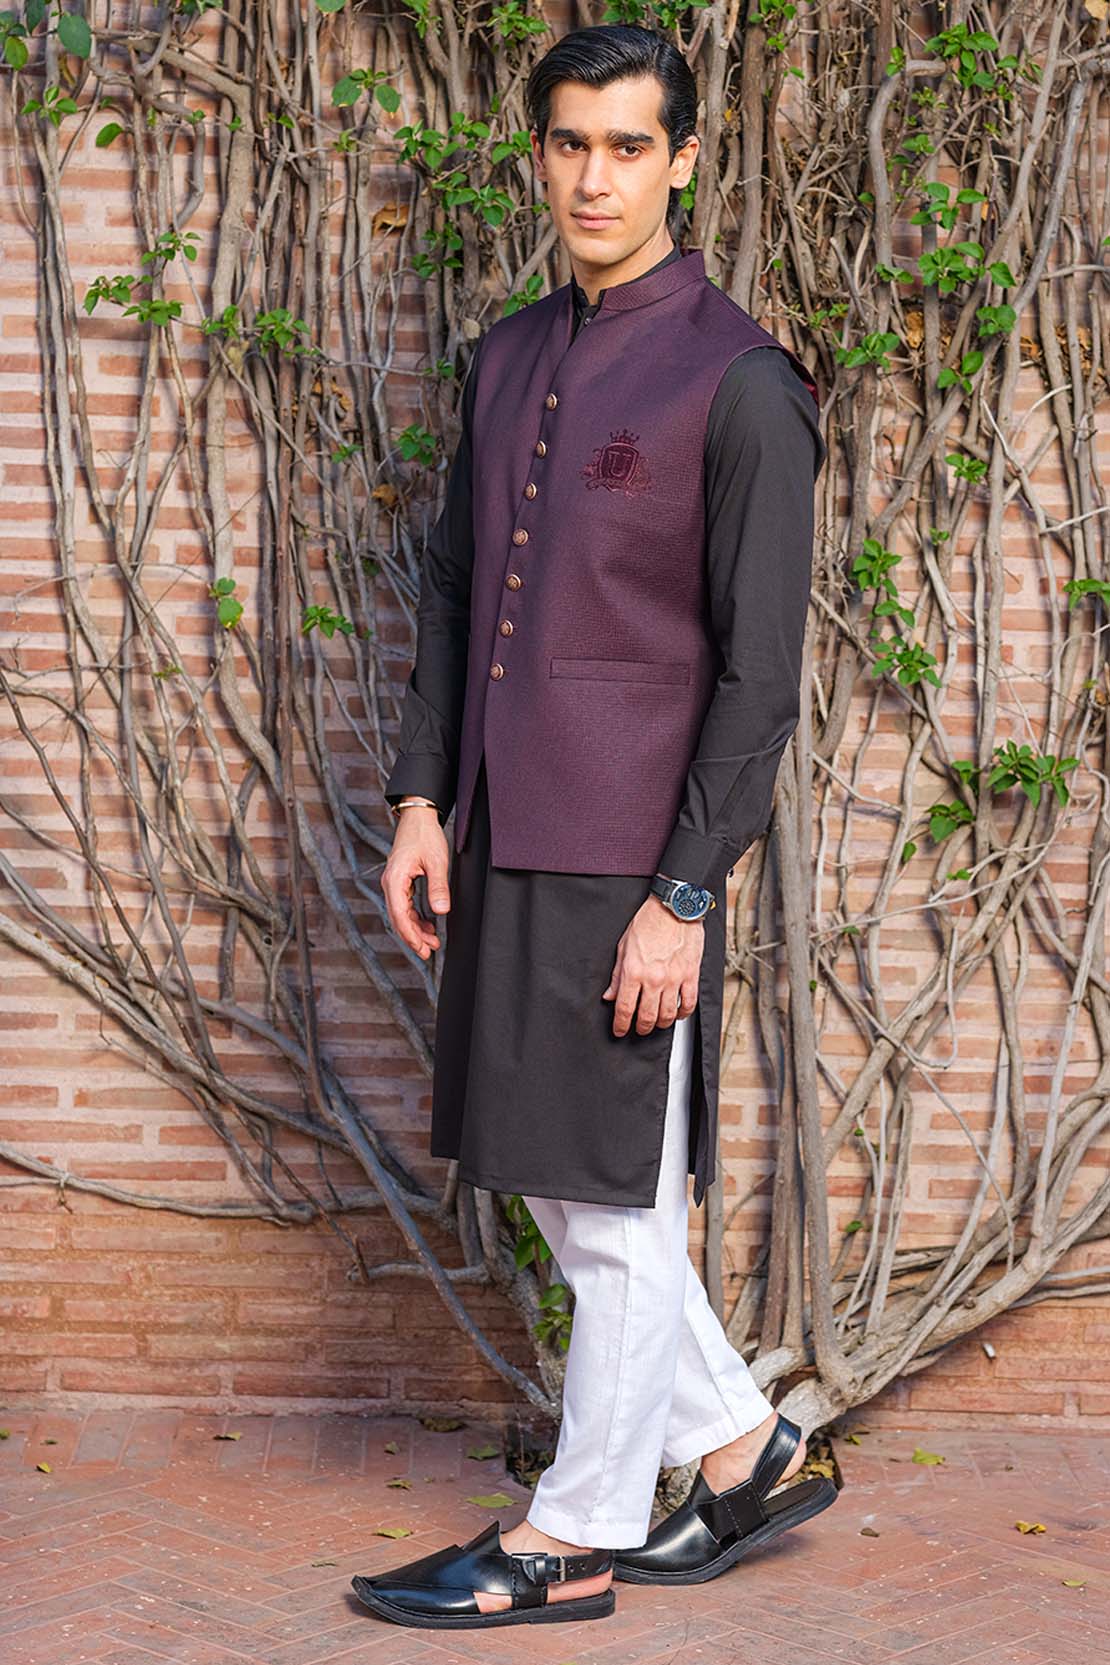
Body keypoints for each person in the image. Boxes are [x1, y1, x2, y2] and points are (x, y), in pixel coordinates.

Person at [352, 22, 834, 1632]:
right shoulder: (503, 358)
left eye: (628, 147)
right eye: (569, 143)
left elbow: (758, 679)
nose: (594, 178)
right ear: (540, 152)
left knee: (617, 1207)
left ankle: (570, 1536)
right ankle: (741, 1444)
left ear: (681, 160)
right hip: (502, 829)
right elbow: (453, 594)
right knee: (563, 1186)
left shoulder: (741, 383)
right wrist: (423, 799)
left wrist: (681, 895)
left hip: (634, 858)